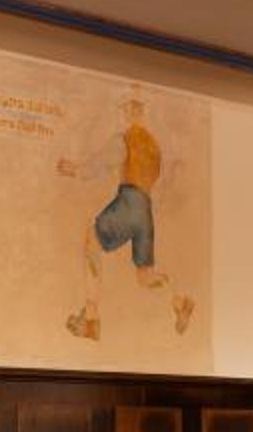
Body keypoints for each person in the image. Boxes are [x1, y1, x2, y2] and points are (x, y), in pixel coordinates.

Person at [62, 89, 193, 338]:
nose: (123, 113)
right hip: (145, 209)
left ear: (133, 110)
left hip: (130, 201)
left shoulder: (125, 138)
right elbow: (160, 184)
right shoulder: (155, 148)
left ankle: (91, 319)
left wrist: (75, 170)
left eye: (125, 109)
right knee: (145, 276)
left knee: (92, 240)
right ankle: (180, 301)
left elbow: (102, 163)